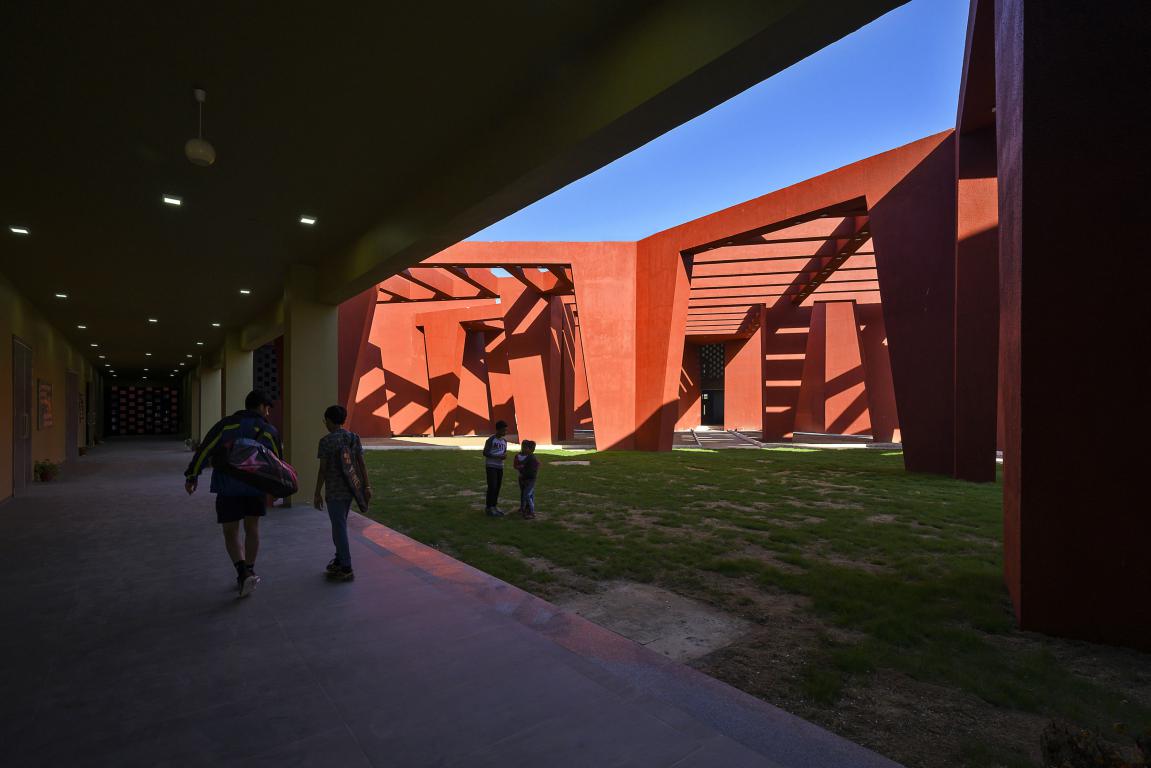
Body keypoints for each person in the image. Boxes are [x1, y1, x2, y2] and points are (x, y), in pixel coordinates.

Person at [185, 390, 282, 597]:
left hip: (227, 486)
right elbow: (277, 462)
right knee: (252, 528)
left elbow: (205, 449)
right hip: (255, 487)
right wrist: (277, 489)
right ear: (263, 407)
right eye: (267, 408)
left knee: (230, 530)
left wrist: (193, 475)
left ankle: (242, 572)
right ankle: (251, 568)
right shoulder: (268, 430)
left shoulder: (226, 425)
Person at [313, 404, 371, 582]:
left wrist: (317, 492)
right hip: (352, 489)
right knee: (339, 525)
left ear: (329, 421)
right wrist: (366, 486)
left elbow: (323, 470)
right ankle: (339, 559)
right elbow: (361, 464)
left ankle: (346, 567)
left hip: (335, 492)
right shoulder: (353, 437)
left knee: (339, 528)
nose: (325, 424)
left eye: (325, 420)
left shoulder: (326, 441)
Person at [482, 420, 509, 516]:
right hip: (491, 466)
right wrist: (497, 456)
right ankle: (489, 507)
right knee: (492, 486)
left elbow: (504, 452)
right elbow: (485, 453)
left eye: (506, 430)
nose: (505, 432)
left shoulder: (504, 441)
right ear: (498, 430)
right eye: (504, 430)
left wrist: (504, 456)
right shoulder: (491, 440)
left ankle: (494, 506)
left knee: (497, 487)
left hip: (500, 466)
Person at [513, 439, 540, 519]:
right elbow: (516, 465)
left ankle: (531, 512)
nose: (523, 449)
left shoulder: (531, 458)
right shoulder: (519, 456)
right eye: (523, 447)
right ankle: (523, 508)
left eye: (525, 447)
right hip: (523, 478)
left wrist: (522, 468)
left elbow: (534, 468)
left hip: (530, 479)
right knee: (524, 494)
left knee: (528, 495)